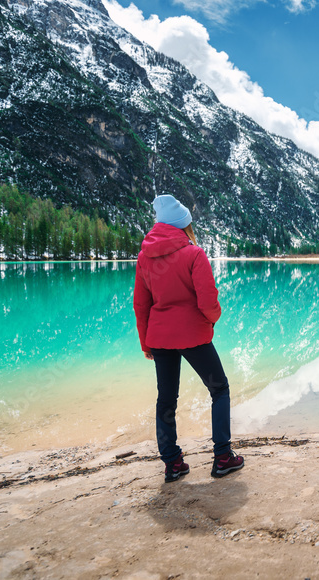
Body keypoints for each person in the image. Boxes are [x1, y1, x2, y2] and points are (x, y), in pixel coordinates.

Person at [133, 194, 244, 482]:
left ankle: (172, 464)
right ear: (183, 226)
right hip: (193, 334)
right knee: (219, 389)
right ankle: (222, 458)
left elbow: (141, 304)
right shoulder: (194, 254)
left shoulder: (145, 257)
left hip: (159, 337)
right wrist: (211, 319)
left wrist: (146, 342)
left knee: (166, 400)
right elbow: (208, 300)